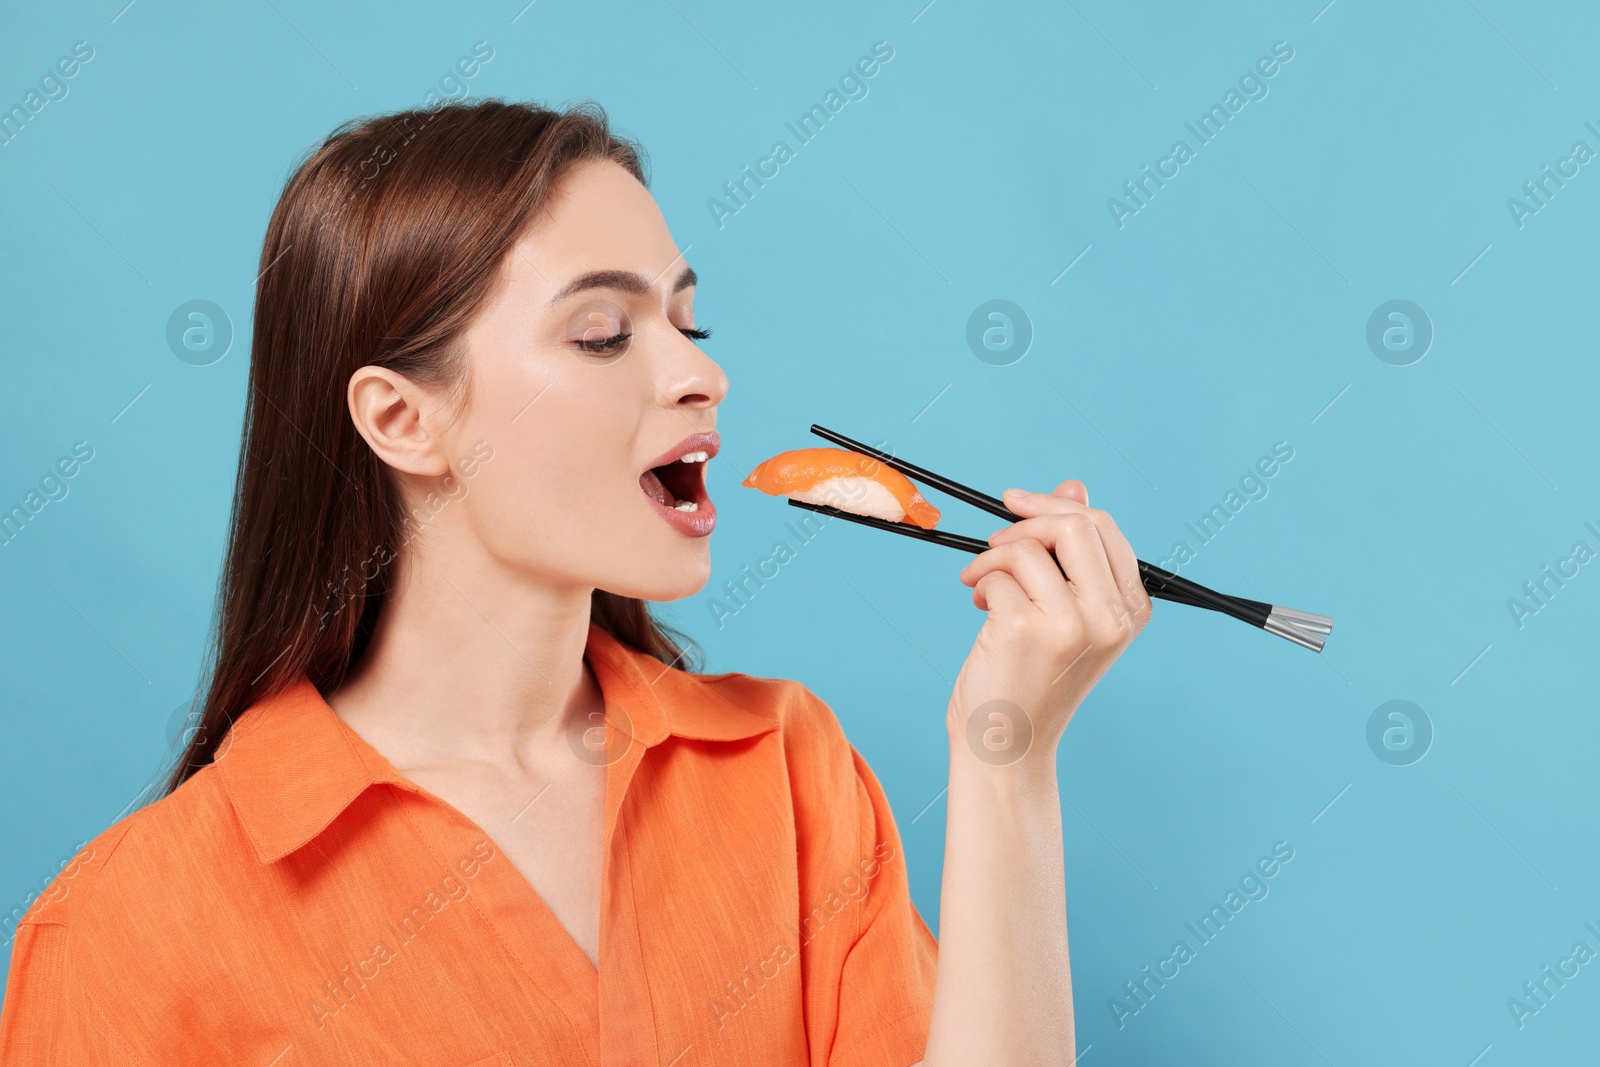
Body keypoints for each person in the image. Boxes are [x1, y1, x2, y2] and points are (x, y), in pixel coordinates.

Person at [0, 100, 1150, 1065]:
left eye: (688, 321)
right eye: (602, 334)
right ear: (403, 418)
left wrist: (1010, 756)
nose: (702, 372)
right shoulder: (123, 928)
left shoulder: (783, 772)